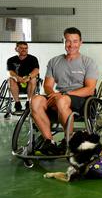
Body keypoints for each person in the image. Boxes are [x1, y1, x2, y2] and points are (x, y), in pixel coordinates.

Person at [30, 27, 98, 155]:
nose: (71, 45)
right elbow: (48, 85)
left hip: (81, 99)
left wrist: (64, 95)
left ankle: (68, 140)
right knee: (36, 100)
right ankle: (49, 141)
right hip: (59, 97)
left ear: (81, 43)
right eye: (68, 41)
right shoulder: (54, 61)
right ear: (63, 41)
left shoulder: (88, 62)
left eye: (75, 41)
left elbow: (89, 89)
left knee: (62, 100)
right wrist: (53, 95)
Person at [6, 41, 40, 112]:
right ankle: (17, 104)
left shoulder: (33, 59)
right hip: (16, 83)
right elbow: (10, 72)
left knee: (33, 79)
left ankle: (28, 102)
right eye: (21, 48)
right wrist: (18, 78)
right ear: (16, 49)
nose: (24, 50)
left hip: (29, 82)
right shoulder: (11, 60)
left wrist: (28, 78)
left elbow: (36, 70)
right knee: (10, 79)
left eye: (26, 48)